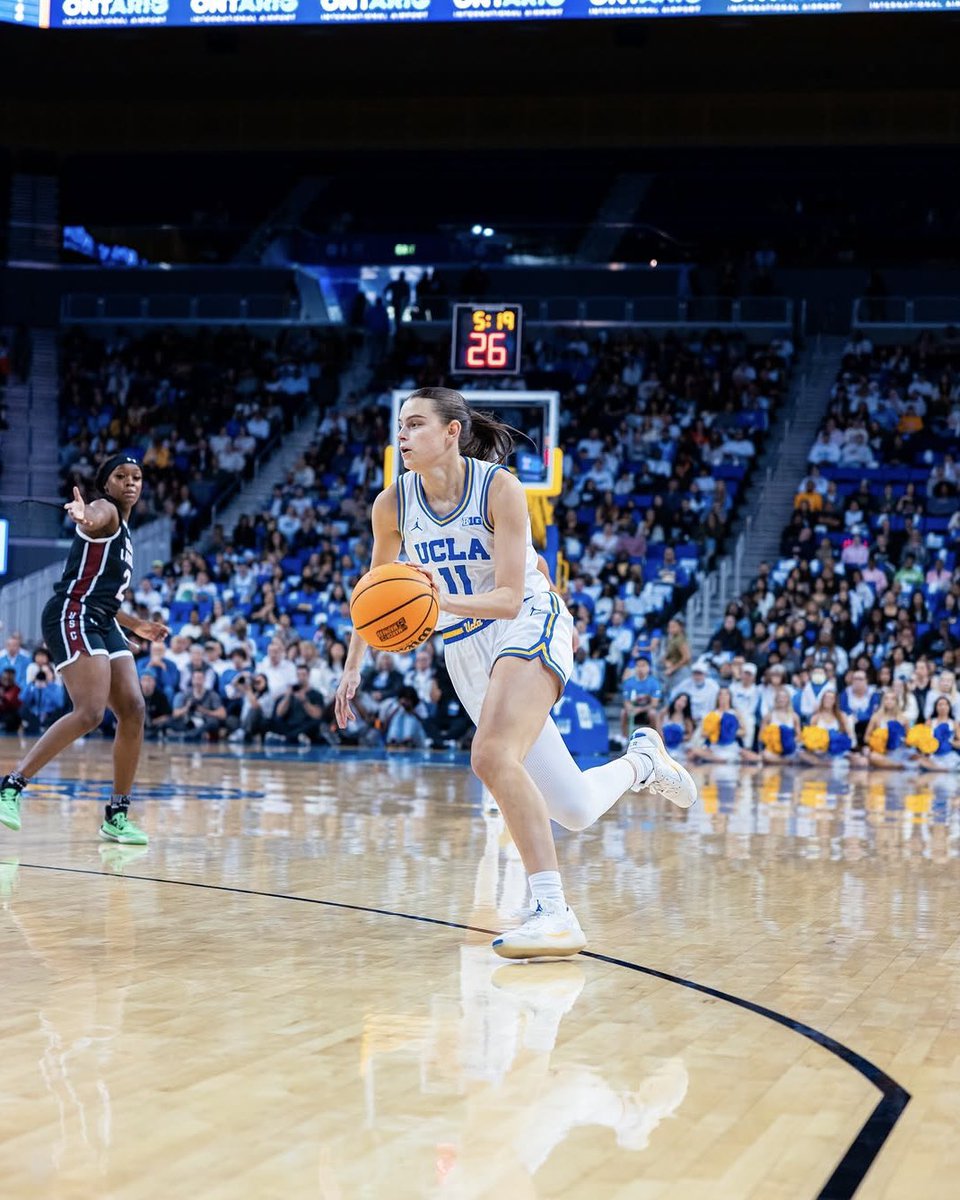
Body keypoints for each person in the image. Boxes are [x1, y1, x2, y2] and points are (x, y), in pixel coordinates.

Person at [335, 387, 696, 961]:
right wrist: (352, 666)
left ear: (452, 431)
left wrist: (435, 599)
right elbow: (374, 594)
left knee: (489, 755)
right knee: (574, 808)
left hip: (528, 620)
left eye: (416, 424)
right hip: (464, 652)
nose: (401, 435)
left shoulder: (498, 488)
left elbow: (506, 597)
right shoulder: (392, 503)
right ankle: (643, 762)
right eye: (400, 425)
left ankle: (553, 912)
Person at [0, 455, 169, 844]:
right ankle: (11, 784)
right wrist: (83, 512)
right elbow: (93, 516)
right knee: (91, 711)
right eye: (121, 476)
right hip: (71, 613)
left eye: (137, 477)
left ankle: (117, 813)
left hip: (102, 618)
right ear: (106, 485)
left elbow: (104, 597)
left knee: (133, 708)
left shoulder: (125, 532)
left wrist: (136, 624)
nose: (130, 483)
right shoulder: (107, 512)